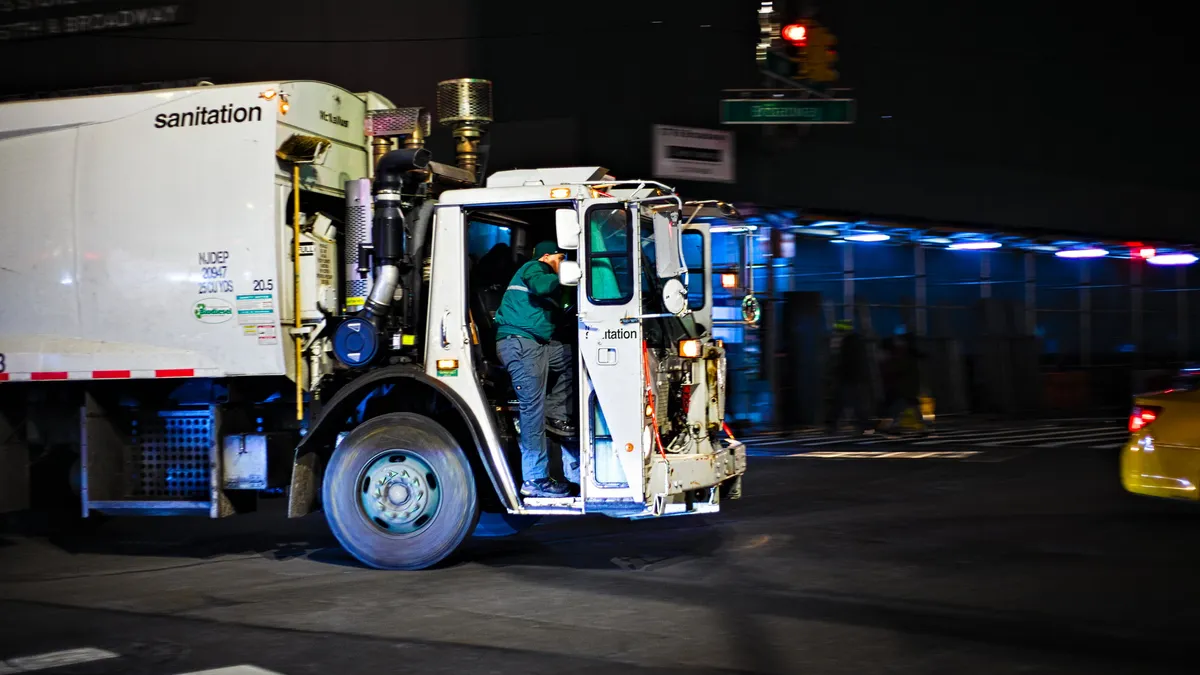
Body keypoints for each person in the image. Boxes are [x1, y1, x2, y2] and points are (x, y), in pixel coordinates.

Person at [495, 240, 577, 498]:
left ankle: (556, 415)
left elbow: (563, 310)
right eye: (561, 258)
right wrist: (572, 274)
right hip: (520, 344)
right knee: (532, 408)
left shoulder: (554, 287)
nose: (563, 262)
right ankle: (534, 478)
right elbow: (542, 286)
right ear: (547, 256)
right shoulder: (534, 269)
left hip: (539, 345)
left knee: (569, 358)